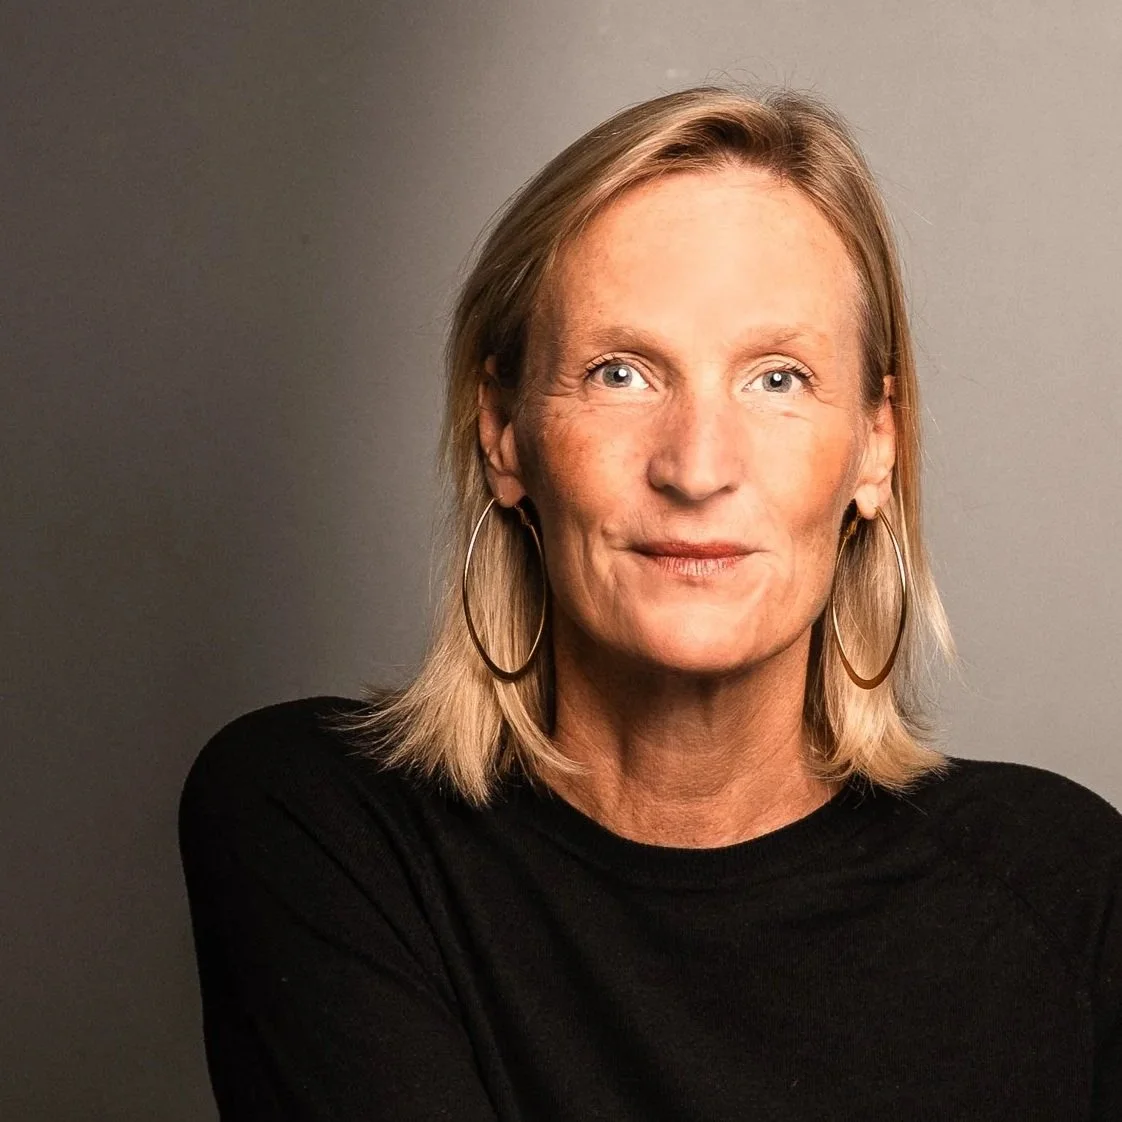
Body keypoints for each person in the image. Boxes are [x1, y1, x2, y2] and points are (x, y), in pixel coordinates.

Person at [178, 86, 1122, 1120]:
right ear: (503, 433)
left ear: (875, 446)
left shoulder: (1062, 889)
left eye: (777, 379)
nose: (697, 466)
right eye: (620, 373)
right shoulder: (328, 830)